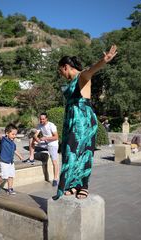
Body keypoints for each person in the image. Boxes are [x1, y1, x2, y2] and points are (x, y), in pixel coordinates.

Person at [54, 45, 117, 200]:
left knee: (84, 153)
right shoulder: (71, 82)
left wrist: (104, 61)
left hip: (83, 121)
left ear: (66, 67)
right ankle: (72, 184)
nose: (61, 74)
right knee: (70, 154)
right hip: (72, 120)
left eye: (60, 71)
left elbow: (91, 70)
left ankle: (83, 186)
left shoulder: (82, 76)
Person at [24, 113, 60, 187]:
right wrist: (37, 139)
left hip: (52, 144)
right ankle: (31, 158)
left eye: (43, 119)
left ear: (47, 119)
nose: (41, 120)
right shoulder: (39, 125)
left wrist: (46, 138)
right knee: (31, 140)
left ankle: (55, 179)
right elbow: (35, 135)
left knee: (54, 162)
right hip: (44, 143)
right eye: (40, 119)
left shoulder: (51, 125)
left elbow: (56, 137)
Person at [0, 124, 24, 195]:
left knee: (11, 175)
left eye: (15, 134)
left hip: (11, 162)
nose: (14, 136)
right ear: (7, 133)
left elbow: (14, 150)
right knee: (4, 176)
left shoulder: (13, 143)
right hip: (4, 161)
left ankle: (10, 189)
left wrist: (20, 156)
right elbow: (0, 136)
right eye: (13, 134)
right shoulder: (3, 140)